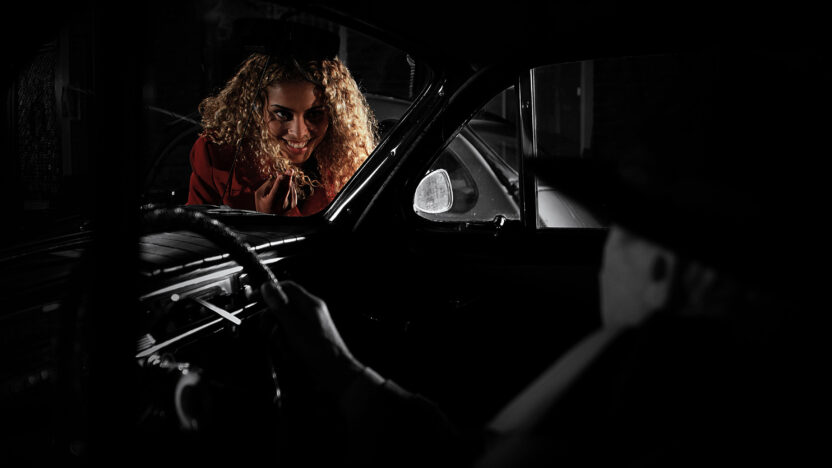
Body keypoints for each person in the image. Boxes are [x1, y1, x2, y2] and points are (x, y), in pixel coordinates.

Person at [258, 47, 826, 466]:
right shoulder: (698, 377)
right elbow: (473, 448)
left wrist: (336, 369)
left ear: (663, 269)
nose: (609, 250)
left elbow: (461, 460)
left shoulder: (653, 390)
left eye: (622, 228)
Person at [186, 37, 377, 215]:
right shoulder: (217, 156)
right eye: (283, 114)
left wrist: (281, 220)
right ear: (256, 108)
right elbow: (196, 232)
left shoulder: (348, 166)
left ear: (334, 114)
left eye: (314, 114)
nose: (299, 132)